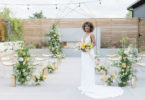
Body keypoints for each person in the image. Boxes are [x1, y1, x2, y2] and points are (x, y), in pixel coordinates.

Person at [78, 21, 123, 99]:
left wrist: (88, 48)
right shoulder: (84, 35)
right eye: (85, 26)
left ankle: (90, 85)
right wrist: (81, 48)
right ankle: (85, 85)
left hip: (89, 53)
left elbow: (94, 43)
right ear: (84, 27)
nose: (86, 28)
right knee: (84, 69)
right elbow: (81, 44)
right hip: (83, 54)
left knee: (89, 69)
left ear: (90, 27)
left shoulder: (91, 34)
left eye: (88, 26)